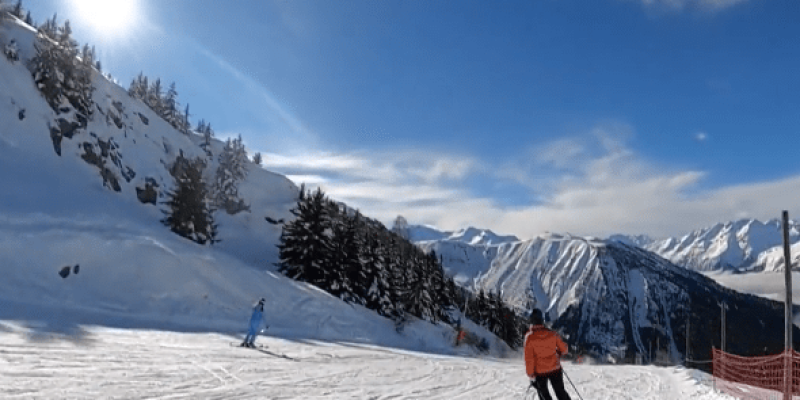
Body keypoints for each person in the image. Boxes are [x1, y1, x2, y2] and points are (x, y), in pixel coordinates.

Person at [524, 309, 571, 400]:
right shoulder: (552, 334)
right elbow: (565, 349)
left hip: (540, 372)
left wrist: (531, 374)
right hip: (555, 368)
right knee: (560, 392)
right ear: (542, 320)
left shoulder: (529, 338)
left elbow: (529, 358)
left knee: (544, 396)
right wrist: (558, 353)